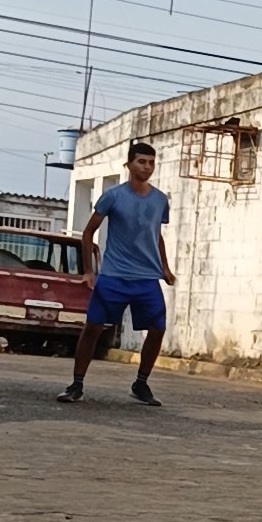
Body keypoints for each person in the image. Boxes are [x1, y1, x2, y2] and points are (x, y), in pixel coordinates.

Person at [58, 137, 175, 407]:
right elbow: (88, 233)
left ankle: (141, 383)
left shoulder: (159, 200)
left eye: (151, 163)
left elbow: (156, 235)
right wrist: (89, 271)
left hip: (146, 278)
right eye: (141, 162)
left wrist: (165, 268)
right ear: (129, 164)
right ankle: (76, 384)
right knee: (93, 327)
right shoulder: (113, 196)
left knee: (157, 329)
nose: (147, 167)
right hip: (113, 276)